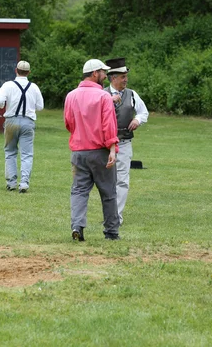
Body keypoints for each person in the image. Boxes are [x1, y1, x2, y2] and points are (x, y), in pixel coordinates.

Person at [64, 59, 120, 241]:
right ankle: (111, 232)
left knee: (79, 191)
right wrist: (112, 149)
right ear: (95, 73)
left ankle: (77, 226)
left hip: (78, 152)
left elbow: (68, 123)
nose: (106, 76)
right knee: (108, 192)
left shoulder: (71, 96)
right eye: (104, 72)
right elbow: (109, 125)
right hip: (99, 151)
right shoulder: (104, 97)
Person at [104, 57, 149, 224]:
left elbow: (143, 112)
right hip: (104, 145)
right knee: (106, 181)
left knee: (122, 180)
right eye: (123, 76)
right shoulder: (102, 94)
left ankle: (116, 217)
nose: (126, 79)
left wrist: (137, 120)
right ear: (113, 77)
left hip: (124, 143)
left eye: (126, 76)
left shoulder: (132, 94)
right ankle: (109, 214)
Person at [0, 60, 44, 193]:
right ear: (29, 72)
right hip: (28, 122)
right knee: (27, 154)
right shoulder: (33, 87)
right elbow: (40, 106)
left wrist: (5, 105)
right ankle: (24, 183)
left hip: (11, 121)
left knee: (10, 152)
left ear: (16, 70)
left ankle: (11, 182)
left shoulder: (8, 85)